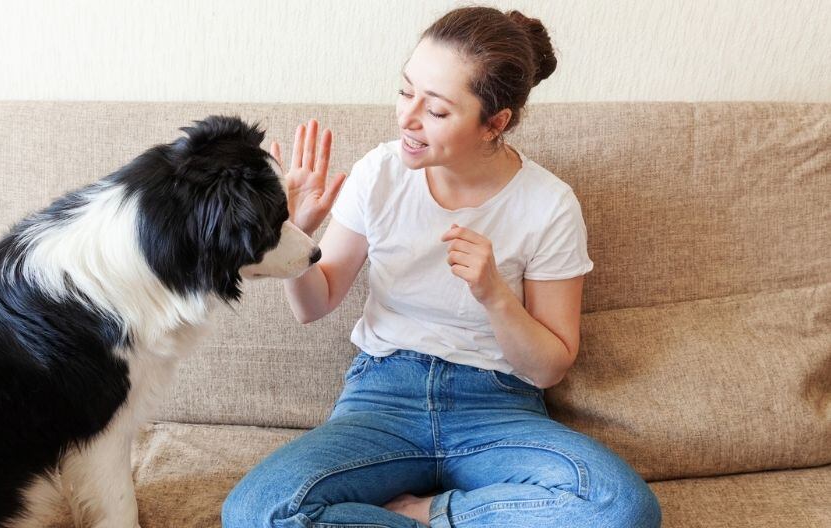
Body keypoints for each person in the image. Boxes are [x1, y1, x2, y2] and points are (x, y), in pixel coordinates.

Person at [223, 6, 661, 527]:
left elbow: (550, 366)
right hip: (383, 397)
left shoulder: (549, 205)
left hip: (498, 409)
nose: (407, 118)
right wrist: (290, 240)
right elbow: (314, 307)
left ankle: (431, 514)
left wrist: (494, 294)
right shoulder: (380, 173)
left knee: (623, 510)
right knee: (254, 512)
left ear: (493, 123)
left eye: (436, 110)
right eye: (406, 91)